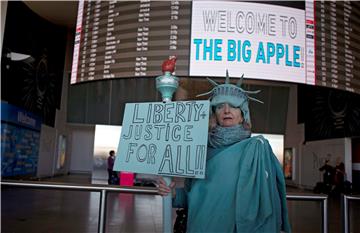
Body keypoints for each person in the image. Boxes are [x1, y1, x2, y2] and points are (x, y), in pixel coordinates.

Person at [158, 72, 291, 233]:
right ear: (215, 114)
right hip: (199, 226)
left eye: (234, 106)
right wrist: (173, 193)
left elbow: (267, 205)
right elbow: (191, 195)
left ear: (243, 115)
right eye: (220, 106)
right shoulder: (201, 148)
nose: (227, 110)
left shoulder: (256, 150)